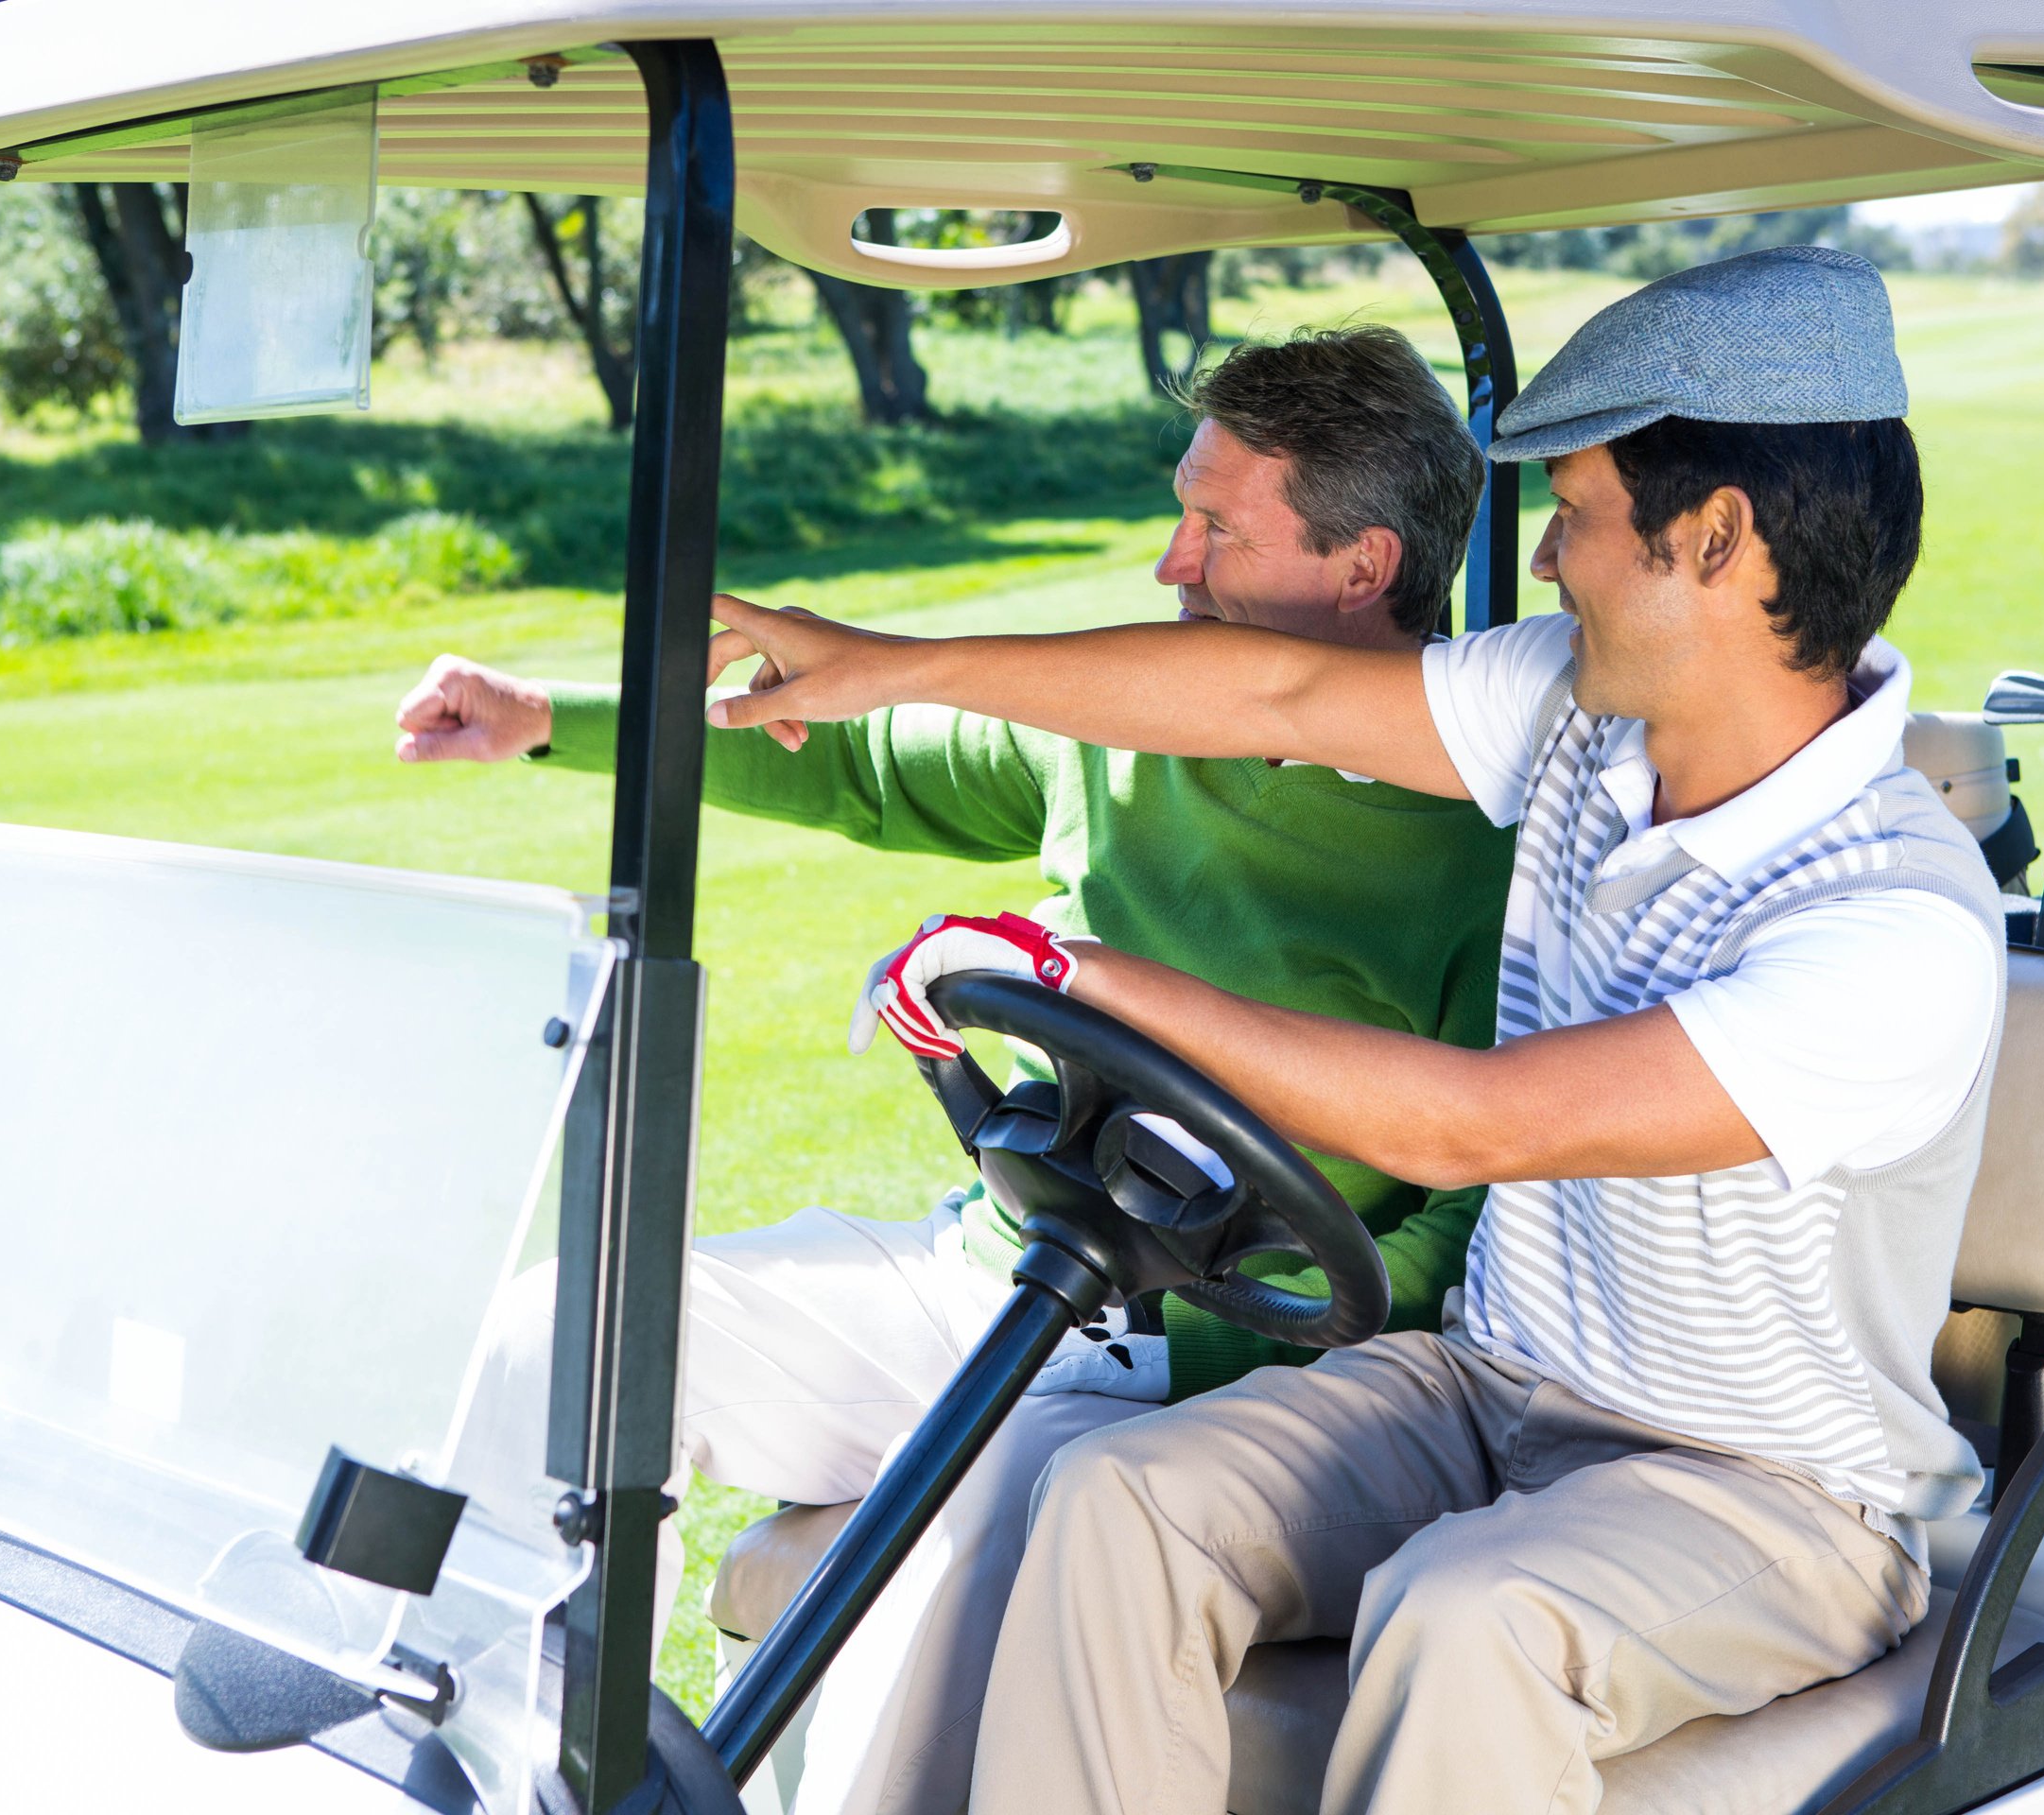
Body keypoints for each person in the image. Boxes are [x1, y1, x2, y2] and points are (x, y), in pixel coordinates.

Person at [701, 247, 2004, 1815]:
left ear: (1713, 541)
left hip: (1771, 1494)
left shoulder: (1888, 925)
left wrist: (1084, 974)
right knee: (1116, 1497)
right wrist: (879, 667)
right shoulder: (1584, 722)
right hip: (1491, 1391)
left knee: (1468, 1620)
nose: (1549, 562)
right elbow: (1275, 697)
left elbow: (1478, 1124)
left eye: (1578, 517)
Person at [394, 326, 1515, 1815]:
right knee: (574, 1332)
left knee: (937, 1551)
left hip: (1208, 1356)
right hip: (996, 1270)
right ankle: (478, 1766)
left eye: (1215, 526)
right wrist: (550, 723)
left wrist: (1242, 1345)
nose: (1168, 564)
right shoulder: (1125, 729)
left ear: (1363, 565)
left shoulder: (1492, 847)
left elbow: (1484, 1207)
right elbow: (855, 761)